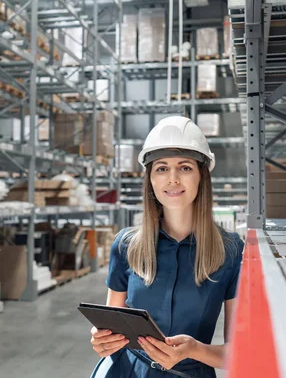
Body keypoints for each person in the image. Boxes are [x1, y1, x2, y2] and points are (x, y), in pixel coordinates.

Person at [89, 116, 245, 378]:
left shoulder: (230, 251)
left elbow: (238, 354)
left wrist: (193, 350)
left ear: (201, 177)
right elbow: (112, 327)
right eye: (161, 168)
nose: (172, 179)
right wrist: (101, 339)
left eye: (184, 168)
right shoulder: (126, 246)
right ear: (150, 178)